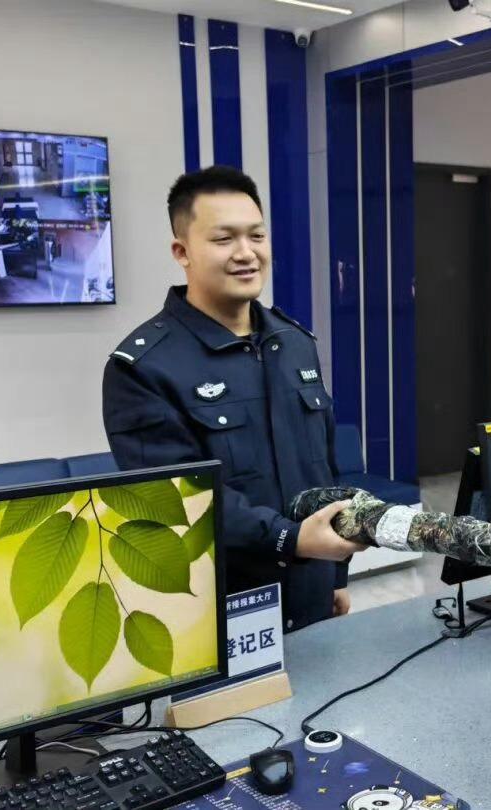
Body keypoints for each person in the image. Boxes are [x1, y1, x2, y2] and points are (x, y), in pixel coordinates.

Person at [102, 166, 362, 633]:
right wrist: (291, 539)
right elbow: (180, 502)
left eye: (257, 236)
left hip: (311, 593)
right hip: (220, 612)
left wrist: (335, 574)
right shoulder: (142, 368)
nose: (247, 253)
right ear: (182, 251)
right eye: (224, 239)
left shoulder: (295, 342)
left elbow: (322, 468)